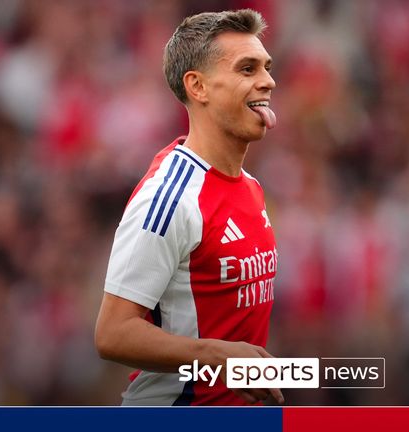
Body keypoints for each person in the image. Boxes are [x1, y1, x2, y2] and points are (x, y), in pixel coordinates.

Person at [94, 9, 283, 406]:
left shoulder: (250, 187)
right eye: (247, 69)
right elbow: (112, 334)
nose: (268, 81)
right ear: (198, 87)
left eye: (266, 67)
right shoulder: (168, 198)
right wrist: (216, 357)